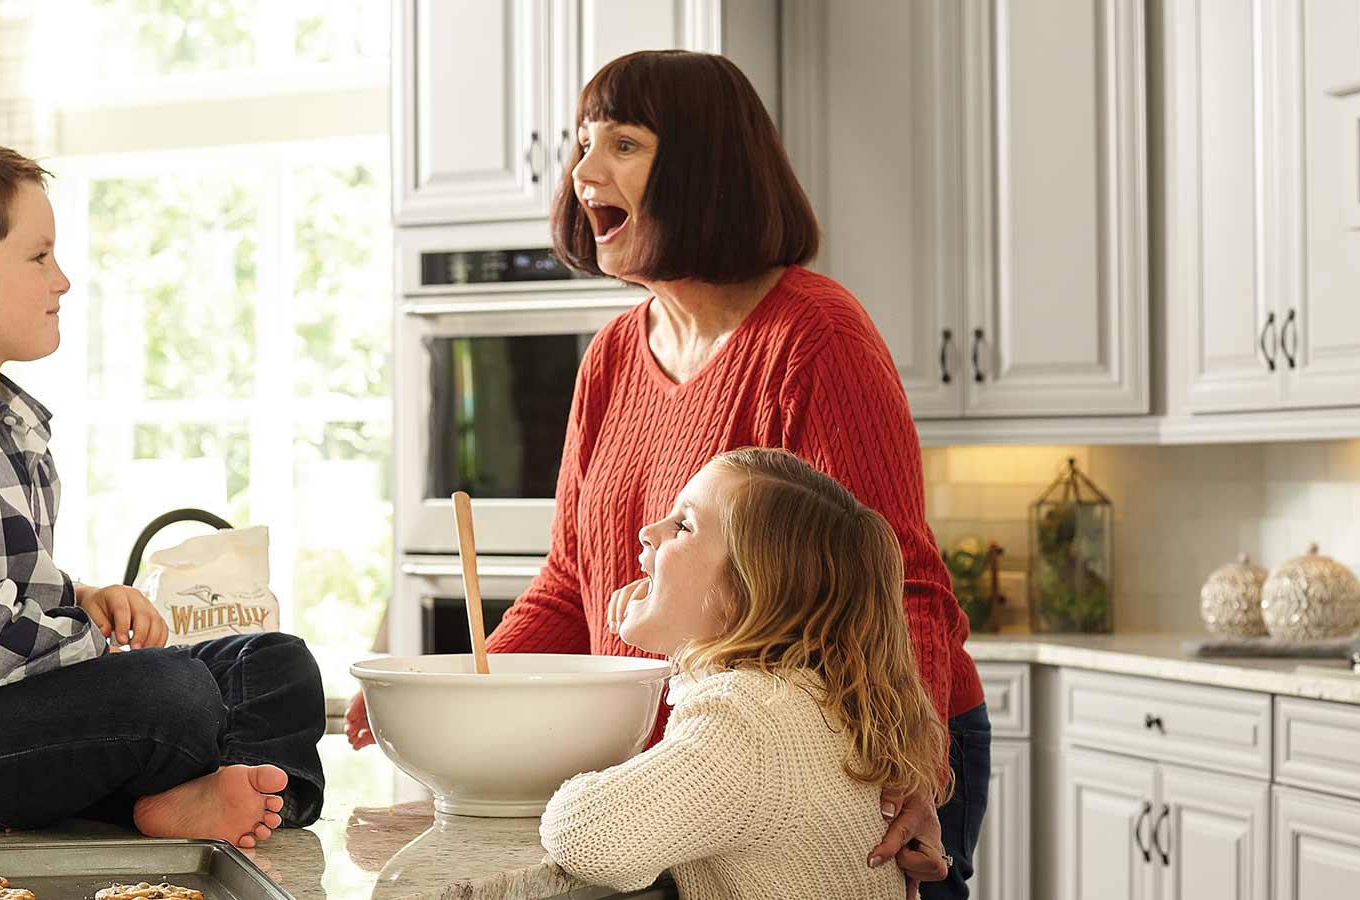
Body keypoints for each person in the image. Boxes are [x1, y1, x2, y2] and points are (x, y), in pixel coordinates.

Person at [344, 50, 988, 897]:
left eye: (623, 145)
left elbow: (899, 581)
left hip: (858, 751)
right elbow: (572, 582)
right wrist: (460, 700)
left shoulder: (814, 338)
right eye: (582, 145)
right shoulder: (613, 355)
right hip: (691, 765)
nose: (583, 173)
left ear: (704, 168)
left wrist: (914, 765)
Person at [0, 140, 324, 844]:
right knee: (173, 693)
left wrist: (81, 597)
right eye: (39, 257)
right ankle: (197, 789)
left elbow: (2, 584)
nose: (62, 281)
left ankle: (220, 797)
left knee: (272, 661)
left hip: (12, 714)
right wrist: (104, 649)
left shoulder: (9, 428)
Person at [540, 448, 948, 899]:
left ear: (744, 594)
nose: (647, 532)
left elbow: (586, 836)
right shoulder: (812, 696)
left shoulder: (748, 720)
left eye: (683, 526)